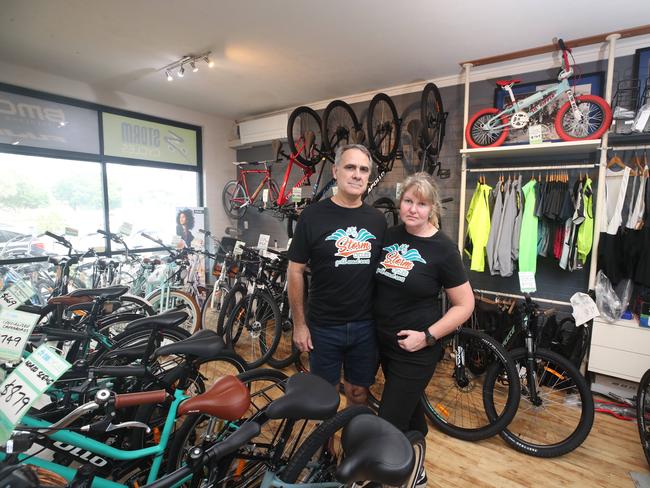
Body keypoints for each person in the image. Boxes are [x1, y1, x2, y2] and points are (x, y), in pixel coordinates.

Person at [374, 173, 474, 484]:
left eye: (421, 203)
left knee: (387, 422)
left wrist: (428, 336)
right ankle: (417, 470)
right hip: (385, 343)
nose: (413, 209)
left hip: (416, 350)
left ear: (431, 208)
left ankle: (379, 478)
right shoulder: (390, 237)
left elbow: (465, 304)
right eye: (408, 201)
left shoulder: (443, 249)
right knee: (409, 409)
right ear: (400, 202)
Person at [287, 144, 386, 405]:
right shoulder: (312, 215)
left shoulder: (377, 219)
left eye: (364, 169)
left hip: (365, 326)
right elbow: (295, 270)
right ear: (336, 171)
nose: (357, 174)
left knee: (358, 392)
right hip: (323, 326)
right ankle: (327, 446)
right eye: (350, 167)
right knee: (325, 395)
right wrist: (299, 324)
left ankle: (354, 443)